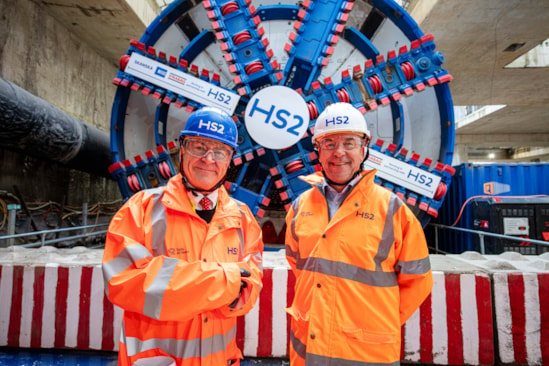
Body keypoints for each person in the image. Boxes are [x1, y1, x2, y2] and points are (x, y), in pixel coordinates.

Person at [102, 106, 264, 366]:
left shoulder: (243, 218)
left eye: (219, 151)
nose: (208, 159)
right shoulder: (141, 209)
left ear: (230, 158)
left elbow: (249, 292)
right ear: (182, 149)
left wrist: (179, 283)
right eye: (198, 146)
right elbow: (125, 284)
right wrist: (226, 279)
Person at [284, 102, 433, 365]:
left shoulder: (392, 210)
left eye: (349, 143)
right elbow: (300, 266)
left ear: (364, 149)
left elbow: (418, 280)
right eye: (329, 144)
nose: (338, 152)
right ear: (317, 151)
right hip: (308, 349)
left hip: (367, 353)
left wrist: (376, 321)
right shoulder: (300, 207)